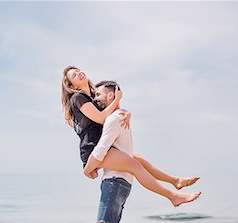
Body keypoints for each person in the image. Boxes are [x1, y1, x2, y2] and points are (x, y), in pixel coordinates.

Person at [60, 66, 201, 207]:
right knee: (135, 165)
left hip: (106, 145)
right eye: (74, 75)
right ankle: (173, 197)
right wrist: (118, 98)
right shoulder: (78, 98)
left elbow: (111, 111)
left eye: (78, 70)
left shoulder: (93, 95)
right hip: (93, 148)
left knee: (138, 158)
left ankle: (175, 181)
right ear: (71, 86)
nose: (79, 73)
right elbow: (102, 118)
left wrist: (127, 112)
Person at [84, 81, 136, 223]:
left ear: (112, 95)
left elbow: (101, 149)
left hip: (115, 179)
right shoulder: (120, 115)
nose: (96, 99)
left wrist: (88, 169)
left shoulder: (114, 118)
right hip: (122, 179)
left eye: (99, 95)